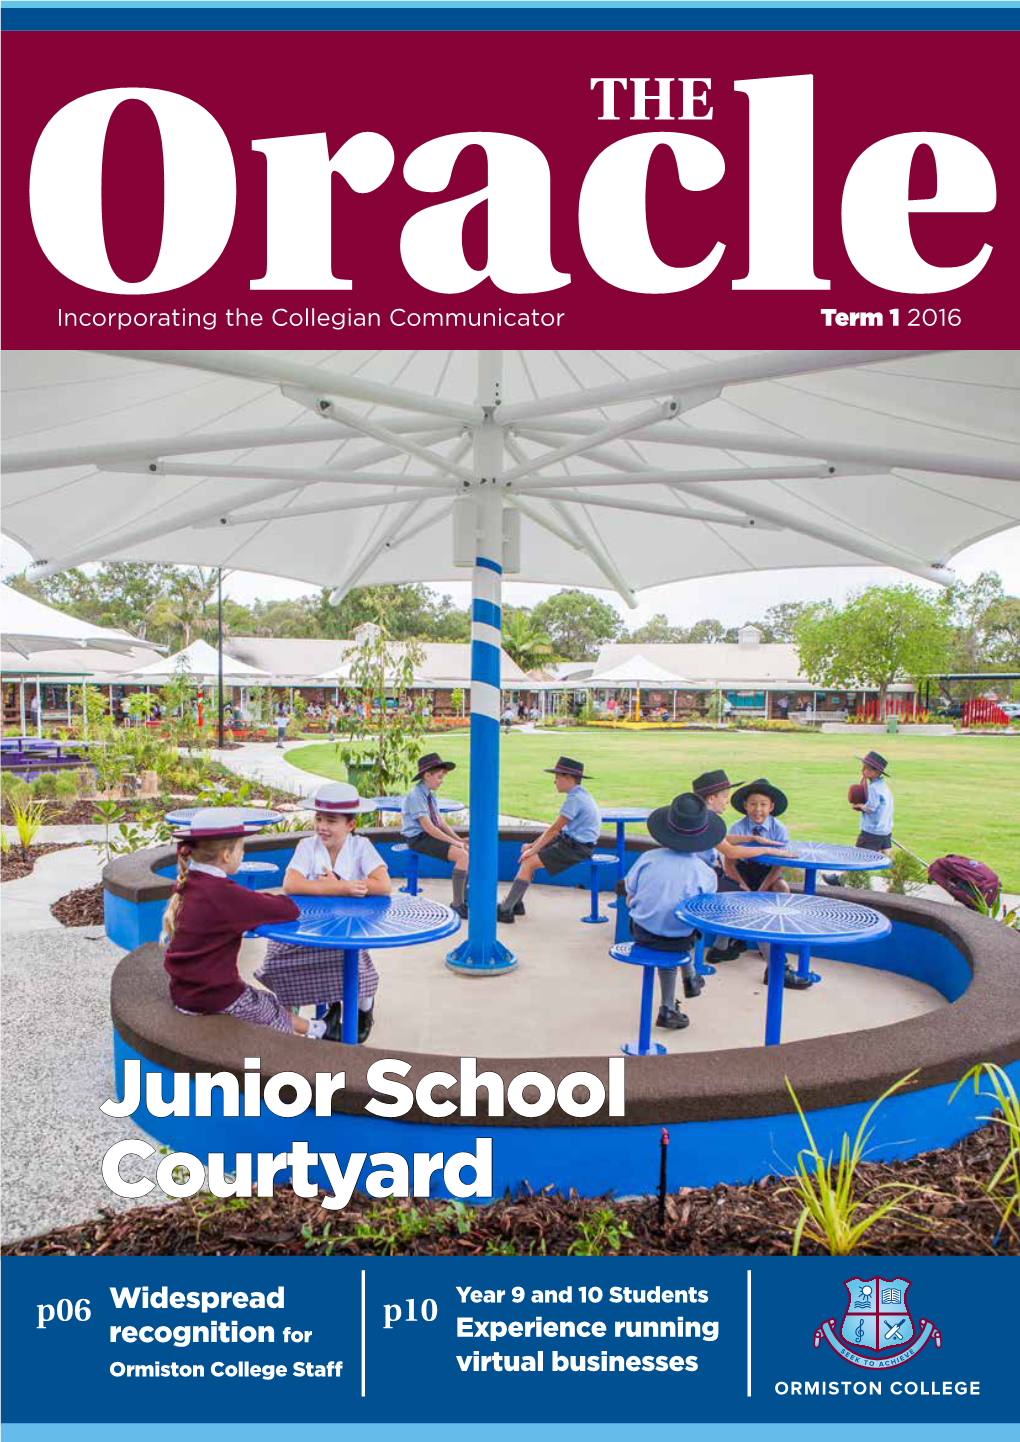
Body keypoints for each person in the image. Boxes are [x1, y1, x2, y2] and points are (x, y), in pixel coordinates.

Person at [161, 808, 327, 1039]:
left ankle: (315, 1028)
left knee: (266, 1001)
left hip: (185, 991)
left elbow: (251, 903)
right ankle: (318, 1032)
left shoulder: (193, 883)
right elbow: (287, 909)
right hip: (213, 997)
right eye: (242, 848)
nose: (243, 853)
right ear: (227, 855)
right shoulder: (224, 894)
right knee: (271, 1012)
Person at [257, 782, 391, 1044]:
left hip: (345, 927)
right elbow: (291, 884)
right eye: (319, 819)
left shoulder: (361, 847)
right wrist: (339, 886)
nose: (322, 827)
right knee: (275, 962)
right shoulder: (307, 846)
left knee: (356, 964)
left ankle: (363, 1011)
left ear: (350, 825)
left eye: (331, 821)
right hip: (304, 926)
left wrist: (324, 888)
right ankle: (292, 1013)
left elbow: (383, 885)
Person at [624, 792, 724, 1031]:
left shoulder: (647, 858)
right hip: (679, 939)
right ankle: (669, 1006)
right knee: (683, 934)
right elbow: (702, 913)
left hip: (641, 932)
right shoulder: (704, 872)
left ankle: (688, 980)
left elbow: (630, 896)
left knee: (667, 938)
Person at [691, 768, 789, 963]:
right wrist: (767, 850)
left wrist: (752, 838)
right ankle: (778, 965)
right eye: (725, 797)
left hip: (703, 876)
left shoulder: (701, 818)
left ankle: (720, 949)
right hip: (703, 880)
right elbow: (731, 852)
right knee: (749, 905)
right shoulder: (709, 821)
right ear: (711, 799)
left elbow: (722, 839)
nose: (727, 801)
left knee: (745, 898)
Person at [726, 778, 810, 991]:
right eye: (753, 804)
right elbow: (730, 862)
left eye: (763, 804)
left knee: (782, 891)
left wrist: (763, 888)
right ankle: (731, 943)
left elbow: (778, 867)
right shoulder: (736, 828)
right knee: (738, 899)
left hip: (767, 874)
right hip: (743, 873)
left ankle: (775, 941)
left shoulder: (779, 829)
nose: (758, 809)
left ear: (771, 807)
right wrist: (743, 884)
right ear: (745, 806)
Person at [498, 757, 600, 923]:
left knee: (528, 862)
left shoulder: (575, 800)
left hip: (578, 848)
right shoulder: (580, 795)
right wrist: (531, 846)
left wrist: (533, 850)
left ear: (568, 778)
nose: (555, 782)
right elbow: (556, 830)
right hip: (571, 842)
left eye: (557, 777)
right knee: (528, 856)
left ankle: (505, 910)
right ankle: (515, 904)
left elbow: (554, 830)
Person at [402, 752, 469, 918]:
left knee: (467, 850)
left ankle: (464, 898)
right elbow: (429, 828)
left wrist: (458, 839)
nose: (442, 781)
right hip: (418, 839)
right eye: (439, 777)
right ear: (427, 775)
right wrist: (456, 844)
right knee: (462, 856)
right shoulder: (416, 795)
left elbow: (439, 821)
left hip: (427, 835)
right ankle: (457, 905)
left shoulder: (430, 794)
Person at [853, 750, 894, 855]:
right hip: (885, 831)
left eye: (866, 768)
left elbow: (870, 808)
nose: (862, 770)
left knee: (859, 858)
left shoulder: (873, 788)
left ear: (876, 772)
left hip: (871, 832)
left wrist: (859, 806)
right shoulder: (883, 786)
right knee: (885, 859)